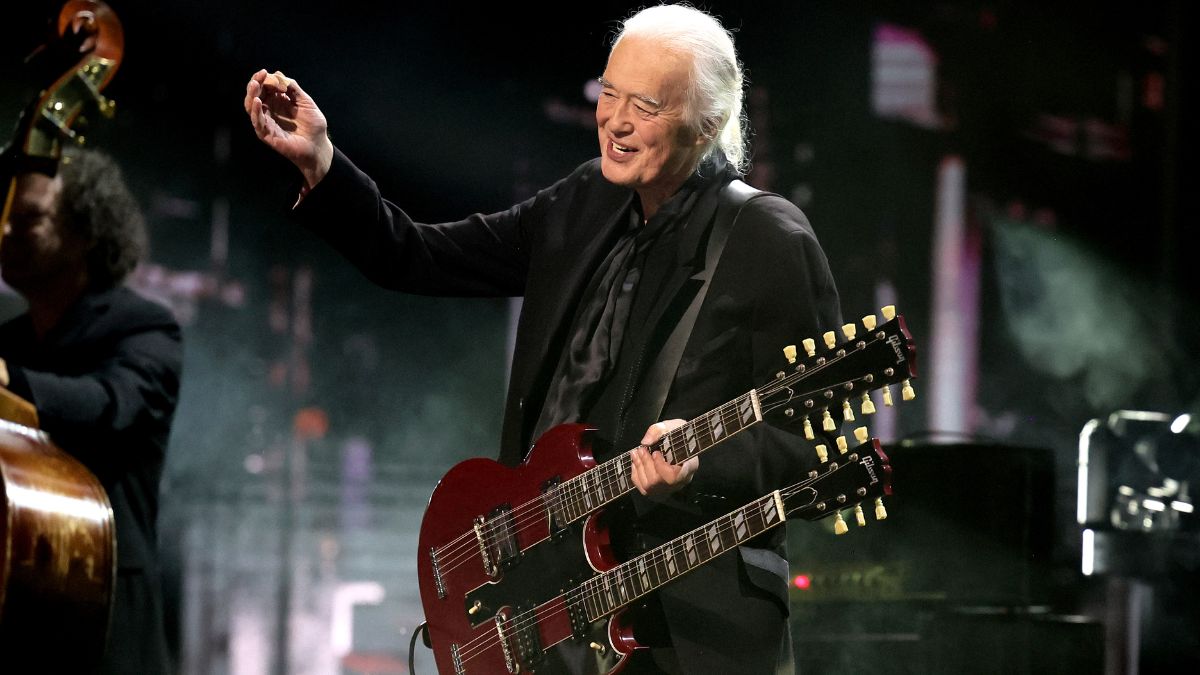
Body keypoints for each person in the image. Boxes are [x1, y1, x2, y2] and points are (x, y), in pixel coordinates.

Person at [245, 4, 840, 673]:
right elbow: (413, 254)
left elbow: (814, 441)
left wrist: (701, 470)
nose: (615, 121)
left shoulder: (768, 238)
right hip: (547, 612)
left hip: (688, 626)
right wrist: (322, 161)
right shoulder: (582, 202)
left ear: (704, 122)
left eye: (643, 105)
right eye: (608, 94)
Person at [0, 148, 182, 674]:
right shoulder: (9, 340)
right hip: (18, 613)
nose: (6, 232)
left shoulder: (146, 328)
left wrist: (10, 381)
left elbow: (110, 406)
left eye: (28, 218)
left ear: (85, 232)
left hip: (105, 616)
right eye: (5, 218)